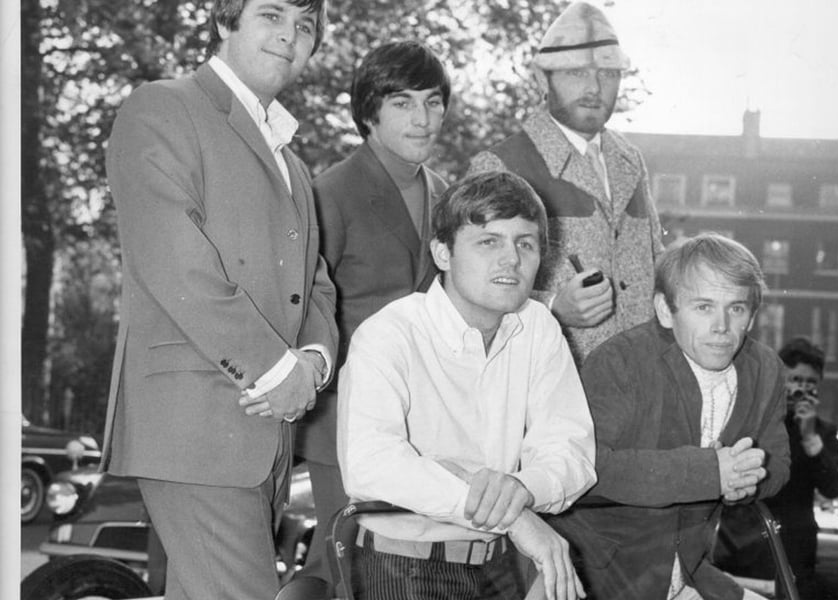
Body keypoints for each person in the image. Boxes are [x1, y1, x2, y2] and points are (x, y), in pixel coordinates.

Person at [99, 1, 338, 598]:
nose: (289, 36)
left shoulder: (292, 163)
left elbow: (315, 283)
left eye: (304, 27)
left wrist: (314, 361)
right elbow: (174, 263)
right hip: (197, 430)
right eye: (271, 15)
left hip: (265, 437)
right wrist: (278, 370)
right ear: (225, 20)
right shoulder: (163, 106)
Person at [337, 171, 597, 600]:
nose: (511, 260)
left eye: (525, 244)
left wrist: (522, 489)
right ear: (443, 252)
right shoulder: (389, 334)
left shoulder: (538, 326)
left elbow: (570, 451)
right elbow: (372, 465)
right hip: (404, 565)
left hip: (502, 562)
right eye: (489, 242)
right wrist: (512, 517)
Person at [548, 233, 790, 600]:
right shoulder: (620, 361)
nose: (722, 326)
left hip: (689, 571)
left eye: (737, 308)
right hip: (600, 578)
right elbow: (583, 468)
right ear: (665, 310)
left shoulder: (765, 369)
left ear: (752, 316)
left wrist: (747, 482)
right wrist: (709, 473)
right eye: (704, 307)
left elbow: (778, 464)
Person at [295, 40, 451, 594]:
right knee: (344, 565)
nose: (422, 118)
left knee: (403, 572)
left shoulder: (446, 196)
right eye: (403, 103)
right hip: (344, 420)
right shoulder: (328, 194)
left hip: (421, 421)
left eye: (433, 102)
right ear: (369, 113)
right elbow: (304, 309)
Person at [467, 0, 664, 366]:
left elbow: (656, 261)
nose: (594, 88)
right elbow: (472, 289)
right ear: (543, 79)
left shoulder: (630, 161)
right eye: (576, 73)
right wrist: (553, 306)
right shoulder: (502, 165)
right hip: (551, 380)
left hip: (640, 378)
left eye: (608, 74)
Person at [723, 337, 838, 598]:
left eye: (810, 382)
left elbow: (834, 487)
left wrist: (810, 437)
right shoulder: (755, 422)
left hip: (795, 550)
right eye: (795, 380)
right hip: (747, 545)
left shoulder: (822, 431)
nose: (802, 388)